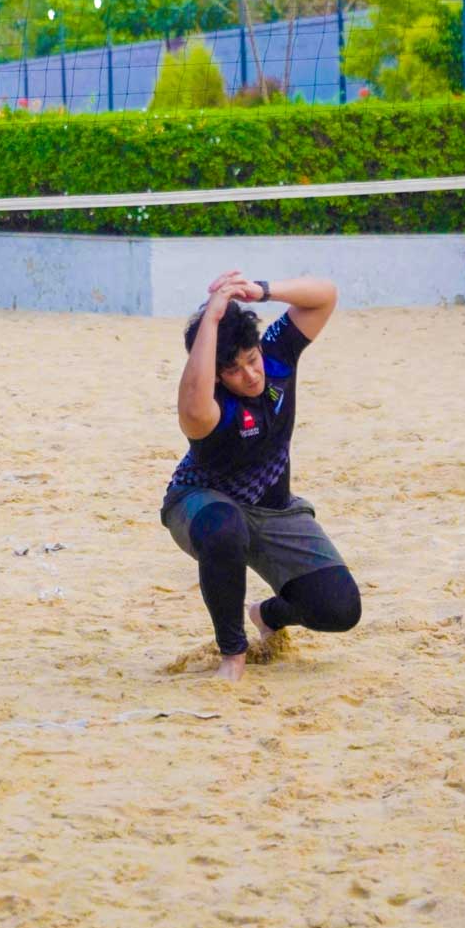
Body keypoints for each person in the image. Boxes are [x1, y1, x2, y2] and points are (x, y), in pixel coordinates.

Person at [161, 269, 361, 684]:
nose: (250, 375)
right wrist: (210, 321)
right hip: (201, 505)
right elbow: (191, 403)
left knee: (340, 609)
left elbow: (324, 295)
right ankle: (233, 653)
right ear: (217, 375)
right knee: (226, 530)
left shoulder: (275, 354)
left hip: (274, 510)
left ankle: (266, 614)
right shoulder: (208, 403)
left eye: (250, 360)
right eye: (233, 370)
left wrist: (262, 291)